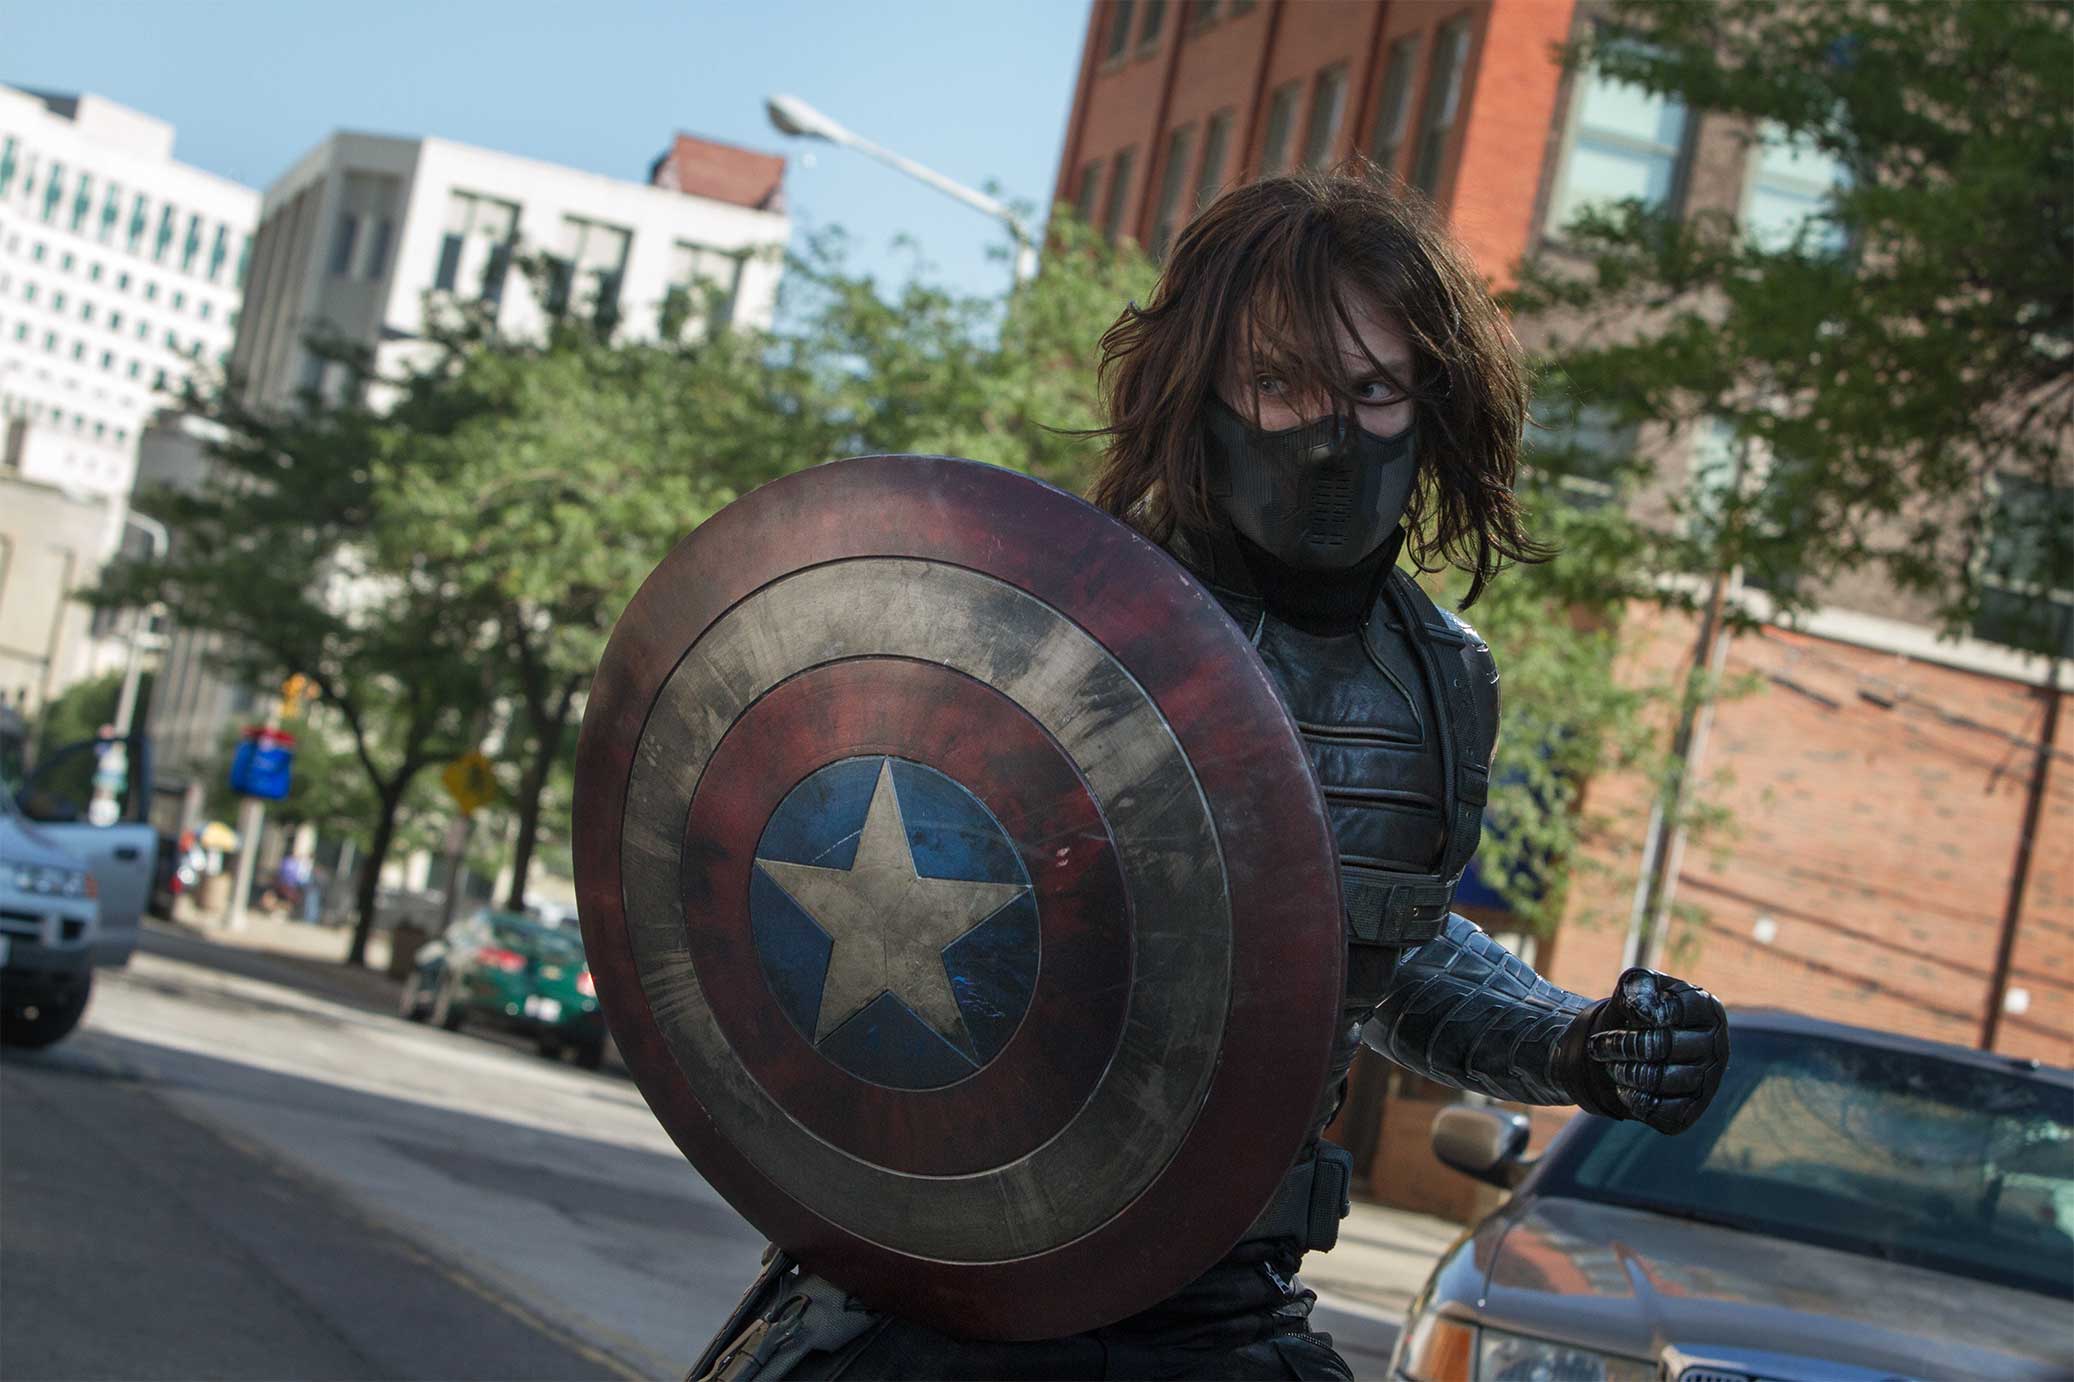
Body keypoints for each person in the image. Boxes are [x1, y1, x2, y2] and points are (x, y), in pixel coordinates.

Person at [693, 170, 1730, 1381]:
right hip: (943, 1282)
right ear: (1200, 388)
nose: (1326, 433)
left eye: (1370, 389)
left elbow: (1370, 950)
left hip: (1220, 1306)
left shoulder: (1442, 678)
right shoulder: (1047, 612)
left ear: (1430, 401)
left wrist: (1578, 1038)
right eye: (1279, 383)